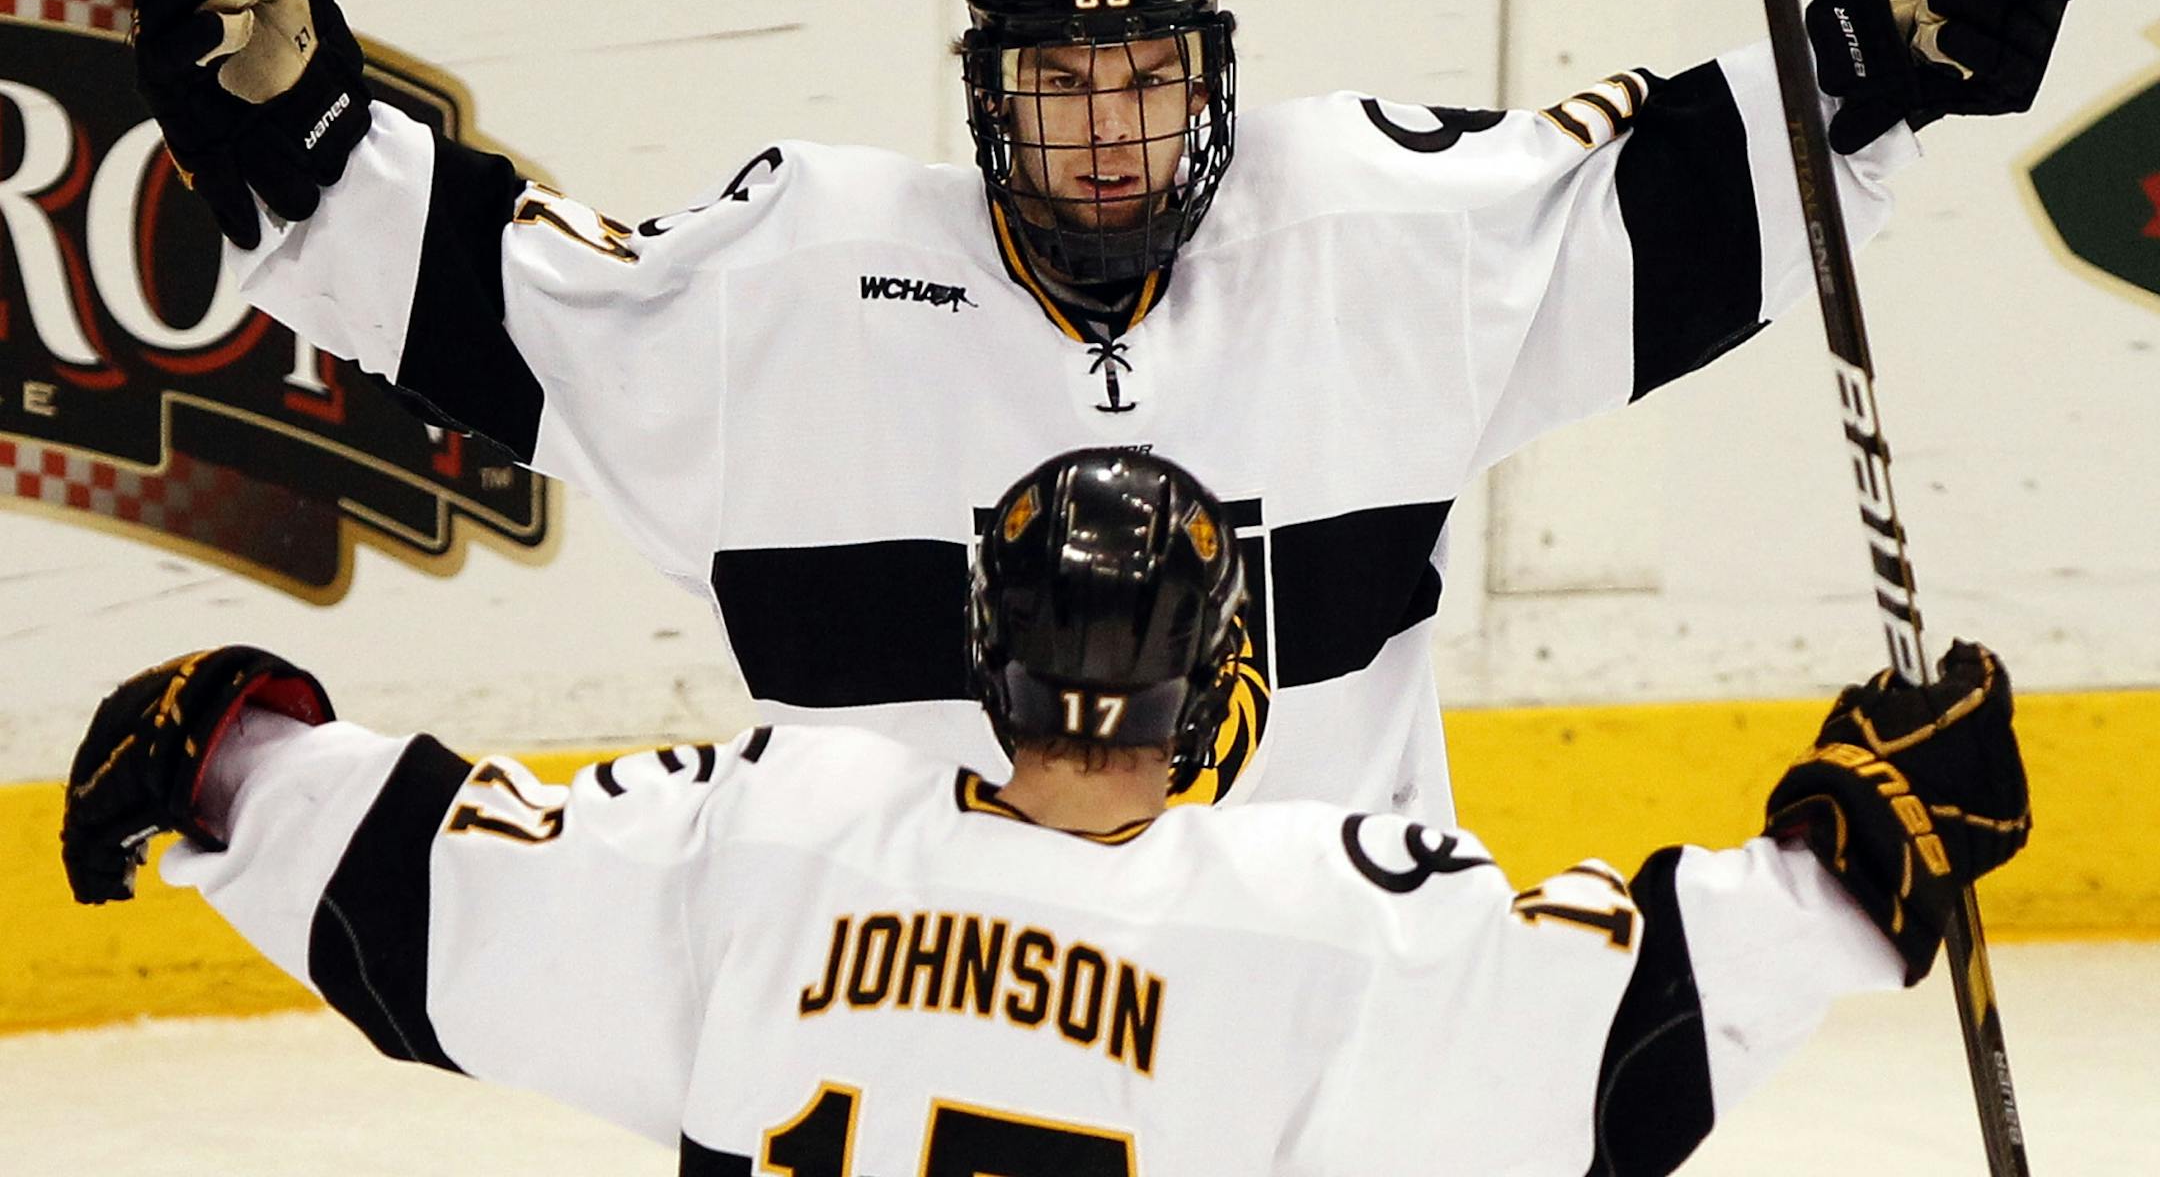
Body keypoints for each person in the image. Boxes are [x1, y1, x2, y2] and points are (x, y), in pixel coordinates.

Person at [126, 0, 2078, 816]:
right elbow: (525, 310)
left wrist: (1865, 62)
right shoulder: (805, 285)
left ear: (1212, 76)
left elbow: (1643, 211)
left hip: (1324, 1031)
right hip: (920, 1025)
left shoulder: (1369, 238)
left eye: (1148, 74)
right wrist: (297, 132)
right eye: (1062, 83)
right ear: (987, 93)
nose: (1111, 131)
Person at [61, 448, 2031, 1175]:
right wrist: (1857, 857)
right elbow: (1621, 1040)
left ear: (988, 650)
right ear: (1217, 678)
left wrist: (228, 759)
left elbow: (423, 908)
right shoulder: (1313, 916)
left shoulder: (775, 836)